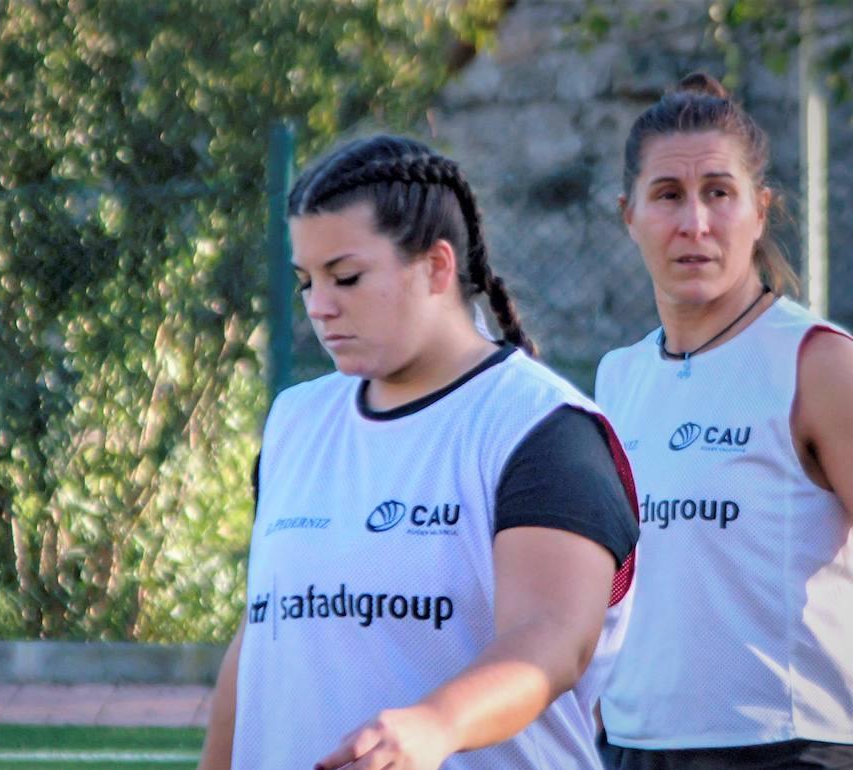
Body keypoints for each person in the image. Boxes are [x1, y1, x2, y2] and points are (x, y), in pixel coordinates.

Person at [195, 133, 639, 770]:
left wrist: (438, 724)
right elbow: (261, 641)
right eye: (306, 282)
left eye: (346, 277)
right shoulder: (296, 420)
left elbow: (551, 638)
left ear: (436, 267)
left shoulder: (543, 431)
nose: (320, 306)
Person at [596, 73, 853, 769]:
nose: (695, 224)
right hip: (632, 747)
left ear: (761, 210)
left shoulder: (818, 363)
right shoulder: (617, 377)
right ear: (629, 214)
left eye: (719, 192)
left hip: (789, 748)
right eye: (668, 196)